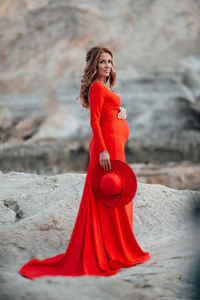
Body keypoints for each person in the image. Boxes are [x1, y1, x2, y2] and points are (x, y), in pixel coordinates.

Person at [19, 46, 151, 279]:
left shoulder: (105, 88)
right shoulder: (97, 88)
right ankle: (109, 249)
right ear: (94, 66)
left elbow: (107, 110)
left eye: (110, 61)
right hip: (107, 147)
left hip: (115, 145)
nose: (107, 65)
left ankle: (116, 247)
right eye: (102, 62)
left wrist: (121, 109)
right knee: (107, 195)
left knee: (117, 195)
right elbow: (95, 120)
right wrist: (101, 150)